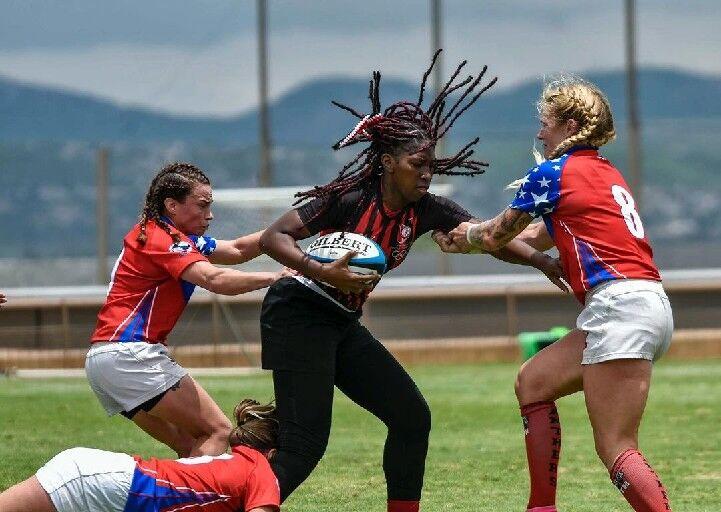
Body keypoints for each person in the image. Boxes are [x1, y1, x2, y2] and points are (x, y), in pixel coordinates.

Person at [258, 51, 565, 512]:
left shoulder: (428, 208)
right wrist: (324, 270)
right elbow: (272, 237)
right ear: (386, 161)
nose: (426, 173)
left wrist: (543, 262)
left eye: (430, 165)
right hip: (297, 311)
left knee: (410, 418)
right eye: (416, 164)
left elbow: (489, 238)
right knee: (304, 446)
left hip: (339, 321)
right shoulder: (350, 198)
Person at [445, 76, 673, 512]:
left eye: (545, 122)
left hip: (618, 307)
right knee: (533, 382)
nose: (539, 132)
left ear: (570, 124)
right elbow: (532, 235)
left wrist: (467, 233)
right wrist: (471, 239)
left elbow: (497, 233)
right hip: (642, 303)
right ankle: (541, 508)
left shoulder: (553, 172)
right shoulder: (604, 172)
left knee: (617, 448)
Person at [87, 162, 287, 458]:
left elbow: (238, 250)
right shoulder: (163, 239)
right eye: (202, 205)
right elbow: (213, 278)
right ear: (171, 205)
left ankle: (176, 502)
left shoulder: (175, 238)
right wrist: (275, 278)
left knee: (191, 445)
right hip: (130, 355)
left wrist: (299, 223)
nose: (210, 214)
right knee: (217, 431)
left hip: (105, 360)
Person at [0, 398, 281, 512]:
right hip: (102, 483)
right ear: (272, 453)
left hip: (102, 478)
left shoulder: (234, 461)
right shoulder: (261, 470)